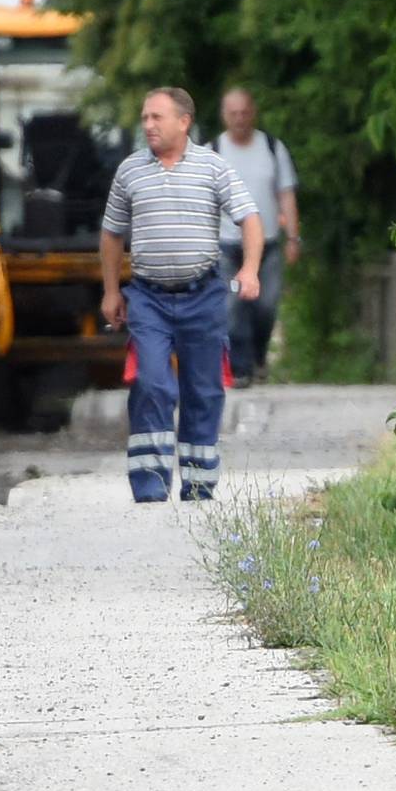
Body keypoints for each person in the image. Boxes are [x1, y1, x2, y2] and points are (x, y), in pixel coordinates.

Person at [99, 88, 260, 504]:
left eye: (157, 117)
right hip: (148, 298)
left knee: (204, 389)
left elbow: (250, 218)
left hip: (203, 296)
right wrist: (111, 290)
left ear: (183, 122)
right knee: (152, 382)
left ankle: (199, 481)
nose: (148, 125)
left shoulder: (212, 167)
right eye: (145, 117)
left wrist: (249, 269)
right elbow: (112, 234)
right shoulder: (130, 171)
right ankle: (150, 482)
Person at [209, 88, 300, 387]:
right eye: (233, 113)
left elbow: (285, 194)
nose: (239, 119)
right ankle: (241, 368)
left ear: (253, 112)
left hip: (269, 244)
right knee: (232, 305)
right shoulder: (212, 152)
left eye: (244, 112)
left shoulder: (272, 148)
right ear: (224, 115)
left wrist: (293, 238)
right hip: (227, 246)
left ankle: (259, 356)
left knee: (267, 305)